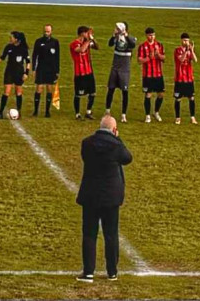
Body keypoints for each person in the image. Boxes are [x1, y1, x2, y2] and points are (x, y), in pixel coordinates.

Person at [76, 114, 132, 283]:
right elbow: (127, 158)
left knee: (89, 234)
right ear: (114, 130)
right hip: (110, 196)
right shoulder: (116, 146)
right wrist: (118, 138)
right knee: (111, 234)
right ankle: (112, 272)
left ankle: (88, 272)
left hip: (91, 194)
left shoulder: (87, 143)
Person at [0, 30, 29, 118]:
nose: (10, 38)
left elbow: (28, 62)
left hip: (19, 73)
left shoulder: (23, 49)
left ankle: (19, 112)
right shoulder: (8, 47)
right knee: (6, 92)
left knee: (18, 92)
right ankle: (0, 112)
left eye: (11, 37)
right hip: (9, 72)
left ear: (16, 39)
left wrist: (26, 73)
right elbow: (2, 58)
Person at [105, 22, 136, 123]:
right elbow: (109, 44)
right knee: (111, 89)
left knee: (125, 92)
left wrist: (125, 36)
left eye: (117, 28)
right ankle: (107, 111)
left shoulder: (130, 38)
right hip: (115, 67)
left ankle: (123, 115)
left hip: (124, 70)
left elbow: (132, 44)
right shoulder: (116, 38)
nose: (116, 29)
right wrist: (114, 36)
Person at [31, 24, 61, 117]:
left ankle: (47, 111)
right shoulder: (39, 41)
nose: (46, 33)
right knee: (39, 88)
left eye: (48, 31)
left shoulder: (55, 42)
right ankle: (36, 111)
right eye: (45, 31)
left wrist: (57, 70)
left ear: (51, 32)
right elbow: (34, 55)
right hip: (41, 68)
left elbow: (57, 57)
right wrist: (34, 69)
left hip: (51, 69)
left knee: (49, 89)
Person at [137, 28, 165, 123]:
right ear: (146, 36)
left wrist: (158, 56)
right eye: (149, 35)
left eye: (153, 35)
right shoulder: (142, 46)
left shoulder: (159, 45)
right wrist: (149, 57)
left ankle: (156, 112)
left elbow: (164, 58)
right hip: (148, 75)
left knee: (161, 94)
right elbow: (139, 61)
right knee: (148, 94)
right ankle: (147, 115)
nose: (151, 37)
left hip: (158, 74)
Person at [70, 25, 98, 119]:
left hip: (89, 72)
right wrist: (88, 40)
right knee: (78, 94)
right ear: (82, 33)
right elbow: (81, 50)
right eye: (86, 33)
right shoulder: (74, 43)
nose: (88, 34)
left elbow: (97, 47)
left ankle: (88, 112)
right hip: (79, 73)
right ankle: (77, 113)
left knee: (92, 93)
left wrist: (92, 39)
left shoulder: (87, 42)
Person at [172, 33, 197, 124]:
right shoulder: (177, 50)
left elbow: (195, 60)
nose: (185, 42)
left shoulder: (190, 50)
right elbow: (181, 60)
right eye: (184, 40)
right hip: (179, 78)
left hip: (189, 78)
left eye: (187, 40)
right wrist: (186, 51)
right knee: (178, 99)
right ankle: (178, 118)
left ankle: (192, 117)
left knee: (191, 98)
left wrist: (192, 51)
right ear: (181, 41)